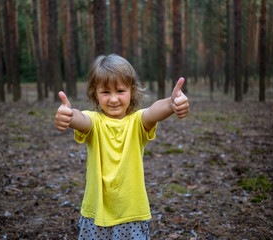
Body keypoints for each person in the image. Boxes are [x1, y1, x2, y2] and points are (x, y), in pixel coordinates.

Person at [54, 54, 189, 240]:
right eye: (105, 92)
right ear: (95, 93)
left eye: (120, 91)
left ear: (132, 91)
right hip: (97, 212)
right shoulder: (95, 122)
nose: (113, 99)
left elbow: (152, 112)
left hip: (131, 213)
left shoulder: (137, 122)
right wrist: (68, 116)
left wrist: (171, 103)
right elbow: (81, 120)